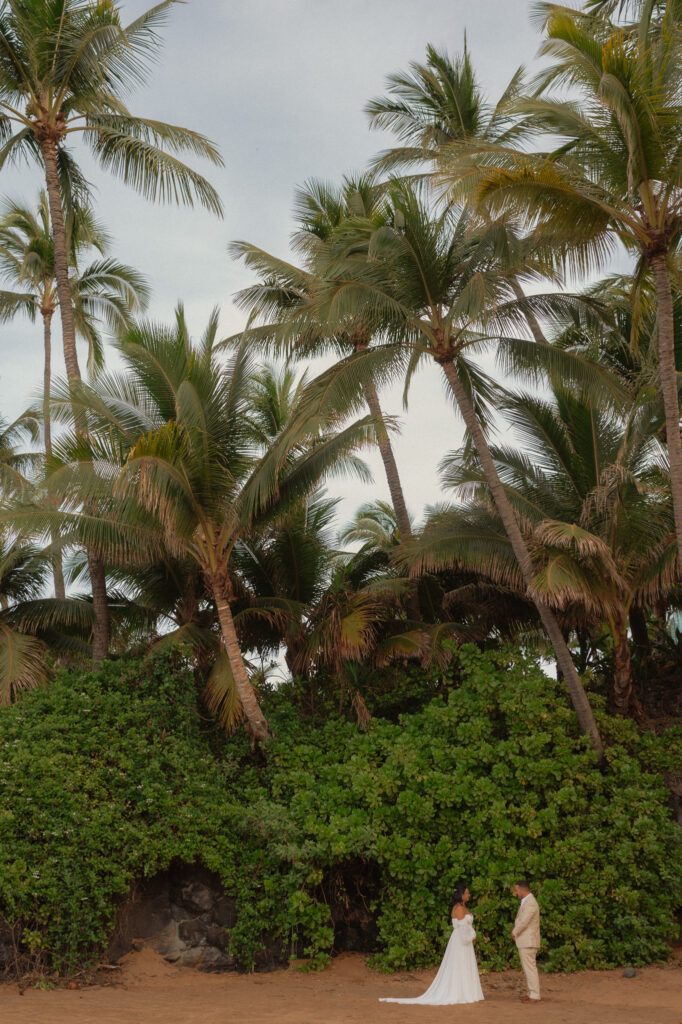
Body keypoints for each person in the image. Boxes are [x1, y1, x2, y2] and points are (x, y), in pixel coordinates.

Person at [379, 882, 484, 1005]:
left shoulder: (461, 907)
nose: (469, 895)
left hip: (464, 941)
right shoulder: (459, 909)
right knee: (459, 965)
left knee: (464, 965)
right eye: (467, 893)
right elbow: (463, 929)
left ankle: (466, 991)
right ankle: (461, 992)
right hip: (461, 941)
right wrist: (472, 936)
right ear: (461, 895)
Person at [512, 879, 541, 1003]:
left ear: (521, 889)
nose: (515, 892)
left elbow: (524, 920)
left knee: (530, 968)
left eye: (516, 890)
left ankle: (534, 995)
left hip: (528, 941)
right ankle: (531, 993)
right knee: (528, 967)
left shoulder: (530, 903)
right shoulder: (527, 902)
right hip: (526, 940)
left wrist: (515, 932)